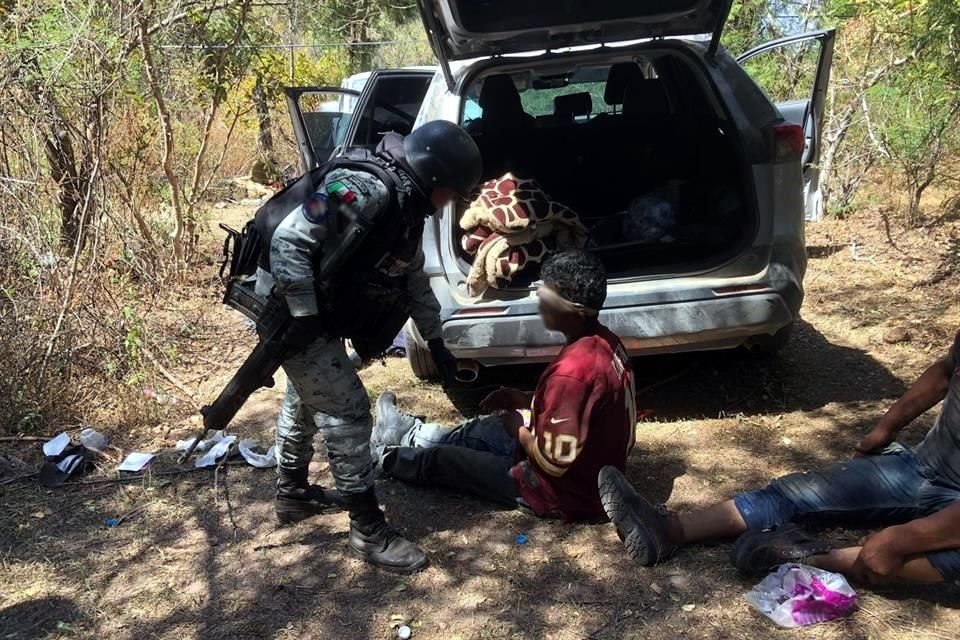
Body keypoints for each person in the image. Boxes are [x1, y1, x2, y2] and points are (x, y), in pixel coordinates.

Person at [256, 120, 482, 574]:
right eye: (452, 194)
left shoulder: (405, 206)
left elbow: (413, 277)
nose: (450, 206)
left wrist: (437, 343)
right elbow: (290, 241)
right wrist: (305, 317)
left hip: (314, 308)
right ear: (434, 177)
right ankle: (367, 530)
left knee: (308, 392)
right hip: (285, 303)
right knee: (347, 409)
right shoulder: (360, 191)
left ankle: (293, 493)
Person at [597, 332, 960, 585]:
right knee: (800, 491)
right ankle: (669, 530)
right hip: (922, 466)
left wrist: (903, 541)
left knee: (937, 558)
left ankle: (804, 556)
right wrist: (884, 429)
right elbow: (945, 372)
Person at [374, 250, 637, 522]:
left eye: (546, 295)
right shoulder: (606, 342)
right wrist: (524, 399)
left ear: (576, 311)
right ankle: (408, 433)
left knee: (444, 460)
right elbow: (585, 408)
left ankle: (380, 458)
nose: (539, 300)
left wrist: (519, 430)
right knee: (483, 430)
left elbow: (554, 463)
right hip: (588, 472)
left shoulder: (573, 372)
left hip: (560, 491)